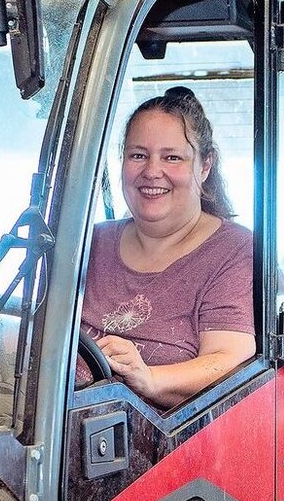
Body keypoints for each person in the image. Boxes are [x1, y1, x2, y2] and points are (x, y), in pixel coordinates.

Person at [81, 86, 255, 409]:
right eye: (138, 155)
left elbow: (229, 361)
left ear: (204, 166)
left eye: (171, 157)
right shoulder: (90, 243)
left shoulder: (234, 251)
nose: (151, 171)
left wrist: (148, 378)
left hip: (168, 453)